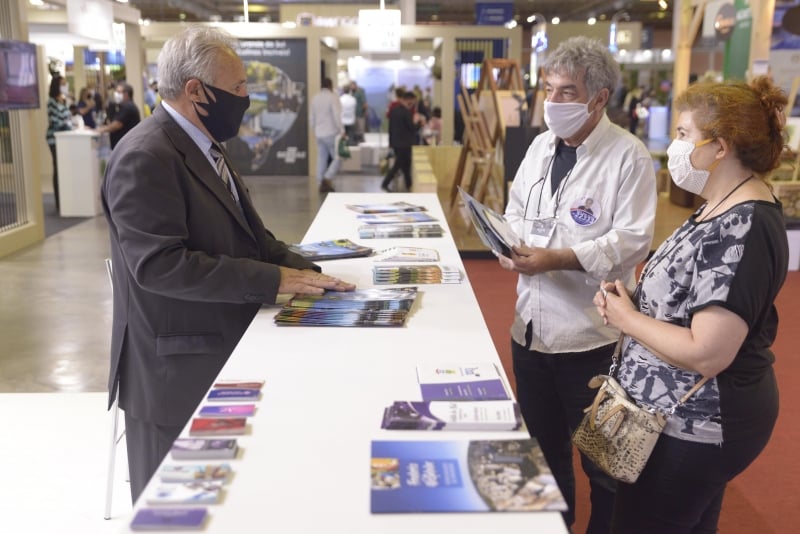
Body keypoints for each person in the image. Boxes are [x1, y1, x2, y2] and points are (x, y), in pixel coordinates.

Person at [101, 25, 356, 504]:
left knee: (228, 501)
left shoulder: (205, 145)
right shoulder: (145, 156)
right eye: (239, 88)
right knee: (178, 508)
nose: (248, 97)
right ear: (197, 91)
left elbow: (251, 237)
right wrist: (272, 280)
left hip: (224, 350)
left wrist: (313, 273)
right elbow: (159, 266)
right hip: (175, 372)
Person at [594, 76, 789, 533]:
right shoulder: (717, 205)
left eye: (683, 135)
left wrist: (629, 319)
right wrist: (636, 304)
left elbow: (709, 351)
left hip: (696, 421)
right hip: (673, 416)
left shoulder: (744, 225)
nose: (675, 146)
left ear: (719, 147)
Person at [499, 36, 657, 533]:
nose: (553, 102)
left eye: (567, 92)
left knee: (604, 467)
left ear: (600, 97)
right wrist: (508, 243)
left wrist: (558, 259)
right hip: (530, 332)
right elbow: (515, 211)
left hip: (594, 341)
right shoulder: (540, 147)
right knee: (543, 459)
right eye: (548, 89)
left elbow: (632, 241)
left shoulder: (628, 157)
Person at [381, 91, 425, 193]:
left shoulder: (394, 111)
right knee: (399, 164)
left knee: (406, 165)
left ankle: (409, 185)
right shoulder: (406, 112)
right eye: (412, 101)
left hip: (396, 143)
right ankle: (385, 183)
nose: (413, 104)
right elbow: (411, 128)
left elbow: (390, 128)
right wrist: (420, 124)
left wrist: (391, 142)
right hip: (405, 143)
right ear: (408, 100)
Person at [309, 77, 343, 193]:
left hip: (319, 133)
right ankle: (327, 178)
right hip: (331, 132)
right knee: (338, 157)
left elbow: (312, 118)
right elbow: (336, 115)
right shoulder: (332, 97)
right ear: (330, 85)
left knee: (321, 158)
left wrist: (313, 130)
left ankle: (320, 182)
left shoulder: (315, 98)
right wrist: (342, 130)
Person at [46, 73, 73, 214]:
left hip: (65, 138)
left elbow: (68, 117)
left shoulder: (63, 100)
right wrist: (67, 124)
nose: (65, 86)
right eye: (63, 84)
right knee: (57, 168)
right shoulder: (51, 101)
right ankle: (58, 201)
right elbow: (56, 121)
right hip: (54, 139)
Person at [97, 81, 140, 149]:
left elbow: (116, 125)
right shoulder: (122, 106)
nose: (116, 94)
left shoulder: (128, 107)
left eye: (118, 92)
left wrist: (99, 130)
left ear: (126, 94)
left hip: (126, 146)